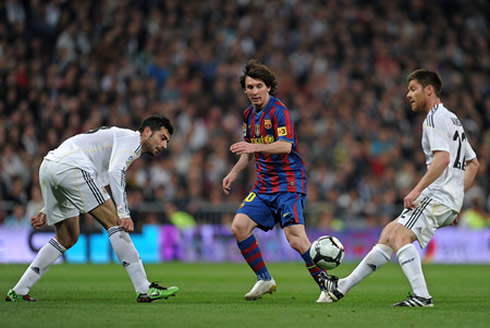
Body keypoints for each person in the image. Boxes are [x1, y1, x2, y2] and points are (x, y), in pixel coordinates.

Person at [322, 69, 479, 307]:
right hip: (448, 197)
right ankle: (342, 287)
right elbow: (473, 164)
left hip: (437, 194)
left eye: (413, 89)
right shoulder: (453, 119)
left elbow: (442, 159)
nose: (408, 95)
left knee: (399, 236)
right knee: (388, 233)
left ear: (429, 90)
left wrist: (416, 191)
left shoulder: (434, 118)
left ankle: (422, 296)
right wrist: (457, 199)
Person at [5, 115, 179, 303]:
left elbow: (95, 180)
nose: (164, 145)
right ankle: (144, 289)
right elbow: (115, 172)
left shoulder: (116, 142)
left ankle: (20, 289)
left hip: (49, 166)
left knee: (67, 237)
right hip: (72, 167)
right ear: (146, 132)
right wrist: (124, 213)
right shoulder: (131, 141)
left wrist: (47, 209)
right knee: (115, 223)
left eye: (167, 141)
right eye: (162, 138)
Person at [222, 59, 330, 303]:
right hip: (264, 185)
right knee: (239, 226)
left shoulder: (279, 111)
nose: (254, 91)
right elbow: (249, 152)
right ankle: (264, 279)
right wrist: (234, 173)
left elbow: (285, 146)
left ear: (268, 87)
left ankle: (327, 284)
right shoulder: (248, 115)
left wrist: (252, 145)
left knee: (295, 238)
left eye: (259, 86)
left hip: (288, 183)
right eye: (249, 87)